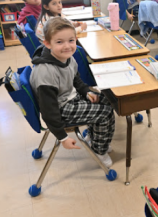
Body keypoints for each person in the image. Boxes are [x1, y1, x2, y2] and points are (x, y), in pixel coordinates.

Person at [30, 17, 117, 167]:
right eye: (59, 42)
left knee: (108, 101)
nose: (67, 46)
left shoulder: (67, 58)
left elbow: (76, 80)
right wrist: (62, 137)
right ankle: (99, 150)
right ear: (47, 43)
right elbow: (49, 111)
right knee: (105, 114)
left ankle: (95, 138)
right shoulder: (45, 73)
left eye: (71, 40)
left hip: (70, 98)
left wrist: (86, 92)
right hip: (60, 109)